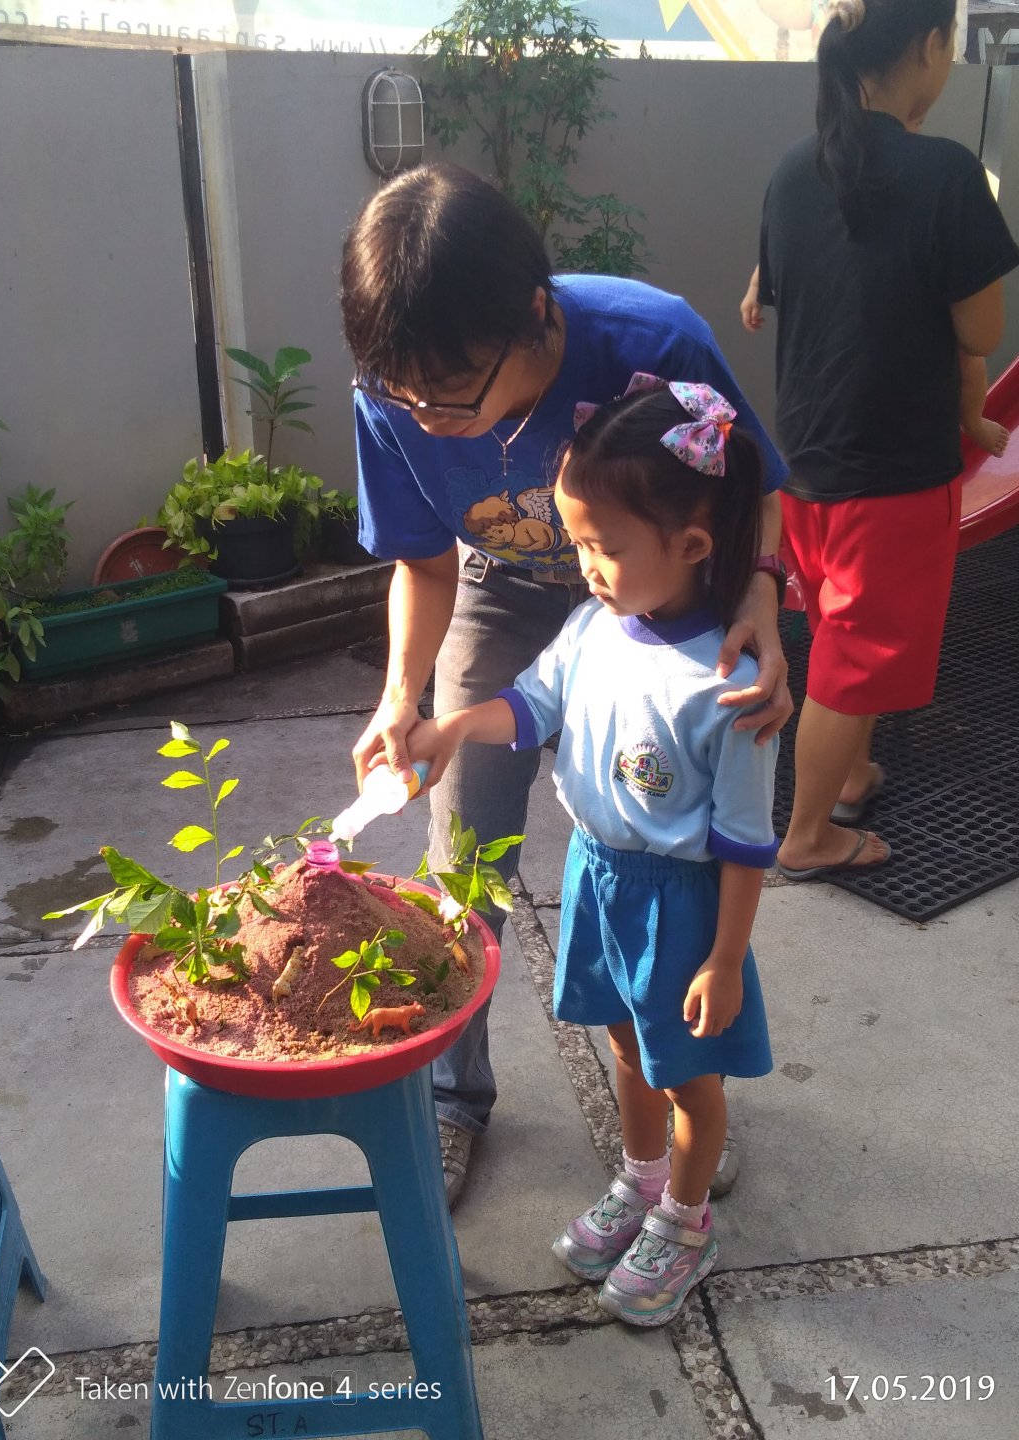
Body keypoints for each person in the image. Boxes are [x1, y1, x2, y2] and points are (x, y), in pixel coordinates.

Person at [340, 163, 793, 1207]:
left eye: (453, 393)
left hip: (666, 597)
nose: (427, 416)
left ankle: (688, 1095)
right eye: (402, 393)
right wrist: (402, 702)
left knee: (675, 852)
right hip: (508, 590)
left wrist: (760, 599)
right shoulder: (396, 390)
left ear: (536, 316)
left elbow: (749, 483)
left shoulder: (650, 343)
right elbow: (422, 559)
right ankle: (454, 1100)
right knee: (463, 849)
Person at [405, 378, 777, 1325]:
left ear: (692, 547)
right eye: (577, 543)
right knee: (622, 1042)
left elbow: (743, 842)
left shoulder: (726, 685)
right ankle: (643, 1179)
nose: (584, 565)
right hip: (597, 878)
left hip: (683, 904)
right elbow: (529, 706)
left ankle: (687, 1224)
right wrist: (451, 729)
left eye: (603, 548)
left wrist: (727, 959)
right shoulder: (587, 628)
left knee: (689, 1076)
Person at [743, 0, 1018, 879]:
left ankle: (851, 771)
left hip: (807, 466)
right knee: (850, 662)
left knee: (835, 634)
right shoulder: (945, 173)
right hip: (894, 474)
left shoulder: (793, 169)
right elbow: (979, 331)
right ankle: (809, 835)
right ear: (933, 48)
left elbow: (776, 296)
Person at [742, 271, 1010, 457]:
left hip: (915, 308)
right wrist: (757, 289)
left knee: (968, 355)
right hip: (862, 327)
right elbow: (775, 246)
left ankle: (973, 420)